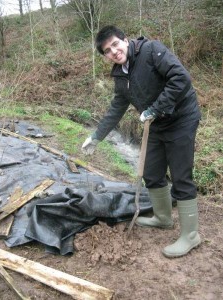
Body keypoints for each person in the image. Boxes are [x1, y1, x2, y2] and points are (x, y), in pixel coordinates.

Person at [81, 25, 201, 258]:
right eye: (107, 50)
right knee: (151, 172)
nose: (114, 52)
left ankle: (191, 236)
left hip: (181, 118)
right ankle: (163, 218)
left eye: (115, 44)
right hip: (155, 123)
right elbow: (117, 108)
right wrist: (96, 137)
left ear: (125, 40)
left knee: (181, 176)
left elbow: (181, 78)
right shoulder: (119, 74)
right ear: (105, 56)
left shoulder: (152, 51)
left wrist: (155, 108)